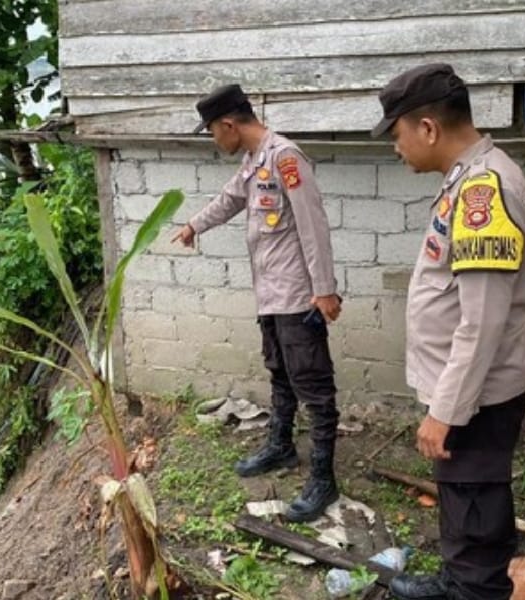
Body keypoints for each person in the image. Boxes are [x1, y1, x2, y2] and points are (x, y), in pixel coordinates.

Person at [371, 64, 525, 600]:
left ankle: (473, 589)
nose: (397, 149)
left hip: (476, 397)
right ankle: (458, 578)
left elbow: (483, 320)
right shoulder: (467, 179)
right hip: (469, 391)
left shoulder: (484, 190)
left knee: (474, 503)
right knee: (465, 498)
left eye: (397, 135)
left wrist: (445, 411)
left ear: (427, 128)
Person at [172, 84, 343, 523]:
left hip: (296, 296)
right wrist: (194, 225)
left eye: (213, 131)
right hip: (270, 294)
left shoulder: (286, 158)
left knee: (314, 387)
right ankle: (281, 447)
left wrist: (324, 288)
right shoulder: (253, 162)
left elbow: (313, 226)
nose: (214, 140)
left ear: (229, 124)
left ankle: (323, 478)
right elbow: (229, 200)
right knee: (280, 373)